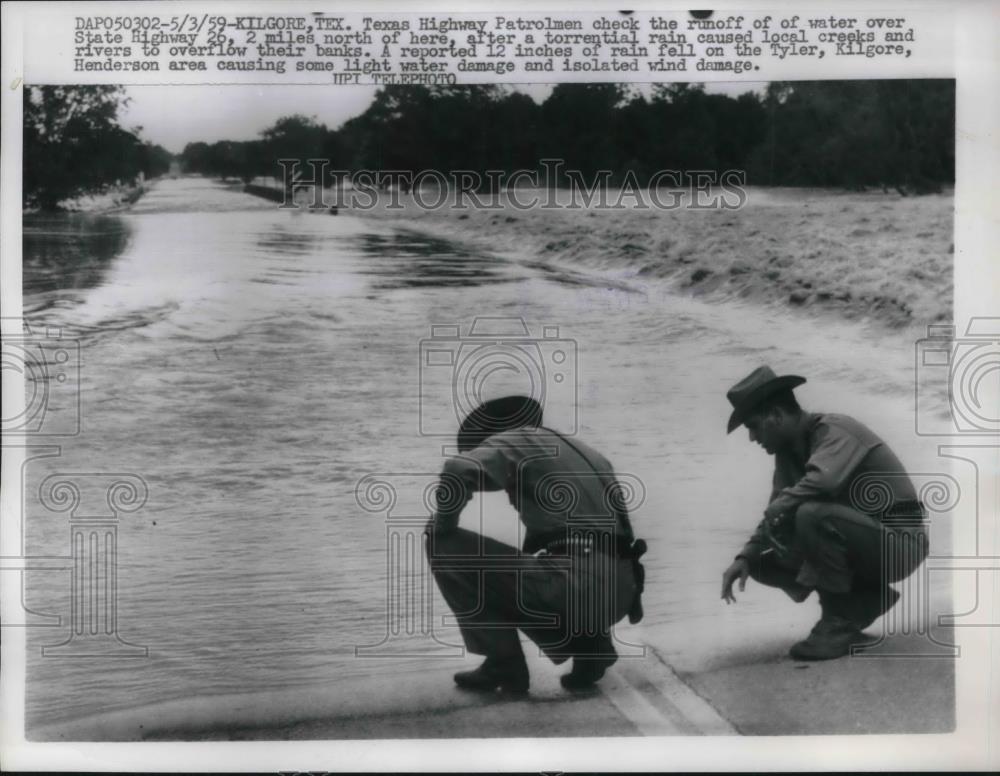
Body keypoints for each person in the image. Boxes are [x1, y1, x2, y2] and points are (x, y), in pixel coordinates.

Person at [425, 395, 645, 694]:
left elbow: (456, 470)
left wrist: (442, 526)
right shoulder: (584, 452)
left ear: (493, 439)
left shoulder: (514, 440)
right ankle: (591, 646)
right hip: (623, 591)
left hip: (577, 588)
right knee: (544, 566)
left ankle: (504, 663)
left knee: (444, 546)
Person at [719, 366, 929, 660]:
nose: (753, 437)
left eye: (754, 426)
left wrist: (780, 507)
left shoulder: (834, 430)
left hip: (902, 545)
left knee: (810, 514)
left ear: (776, 416)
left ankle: (839, 621)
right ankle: (862, 599)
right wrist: (745, 556)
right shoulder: (789, 453)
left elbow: (823, 481)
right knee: (762, 562)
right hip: (869, 542)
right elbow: (776, 510)